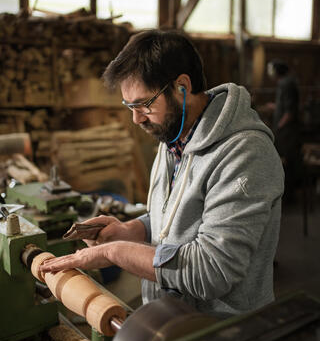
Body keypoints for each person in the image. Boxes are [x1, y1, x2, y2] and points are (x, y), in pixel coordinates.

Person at [41, 30, 284, 319]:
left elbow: (212, 271)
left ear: (181, 86)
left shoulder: (245, 153)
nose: (136, 118)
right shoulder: (173, 136)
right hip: (170, 320)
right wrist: (135, 229)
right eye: (129, 106)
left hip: (223, 334)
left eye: (144, 104)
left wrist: (114, 253)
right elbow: (182, 212)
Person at [267, 59, 301, 201]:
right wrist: (274, 107)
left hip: (286, 133)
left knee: (285, 162)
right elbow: (286, 106)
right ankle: (288, 194)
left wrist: (279, 127)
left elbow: (290, 111)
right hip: (286, 131)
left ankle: (288, 196)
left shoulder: (286, 84)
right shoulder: (286, 82)